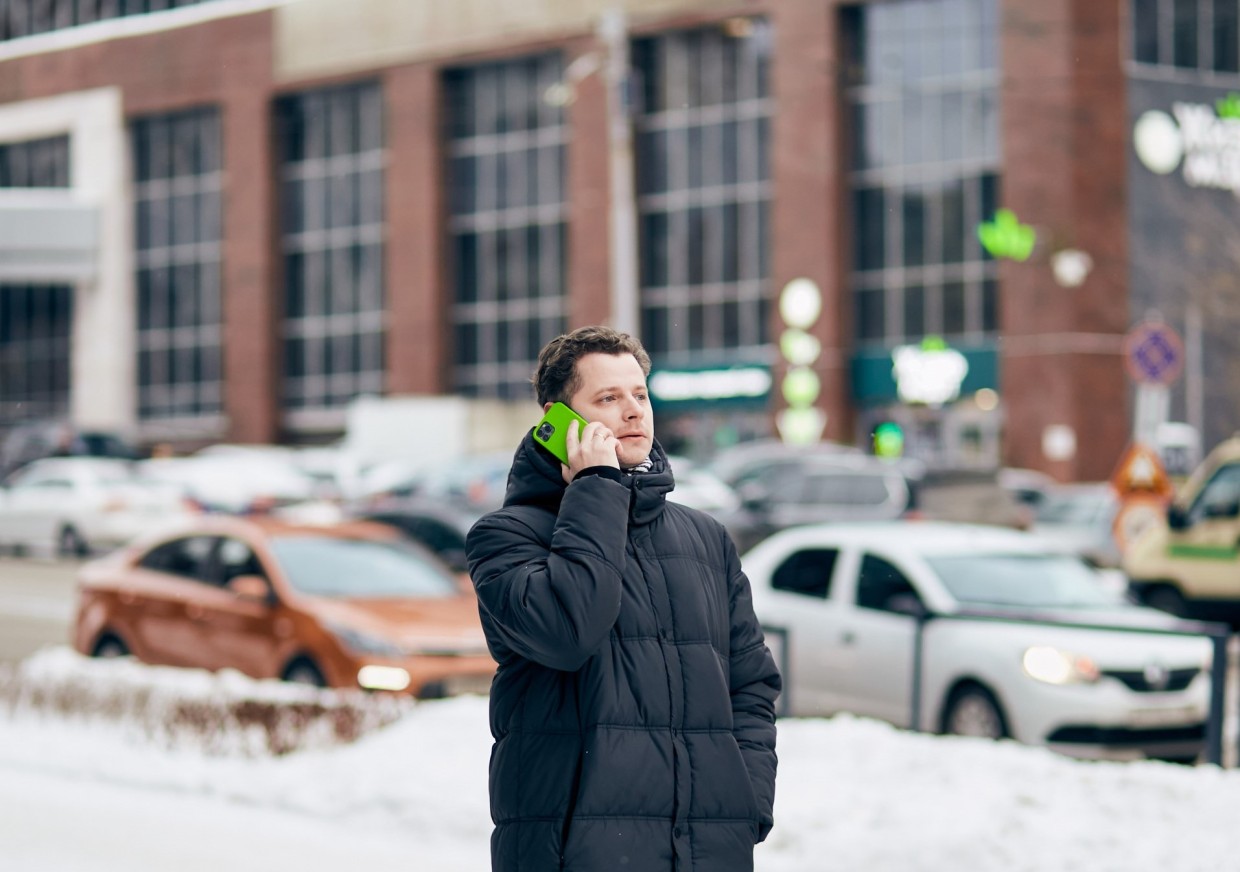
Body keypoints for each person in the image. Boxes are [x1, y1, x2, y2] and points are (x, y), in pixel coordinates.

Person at [466, 326, 780, 872]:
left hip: (708, 850)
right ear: (556, 419)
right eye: (608, 399)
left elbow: (751, 686)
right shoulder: (506, 538)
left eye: (639, 394)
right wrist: (596, 488)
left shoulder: (704, 539)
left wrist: (745, 802)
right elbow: (569, 632)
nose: (633, 412)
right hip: (575, 852)